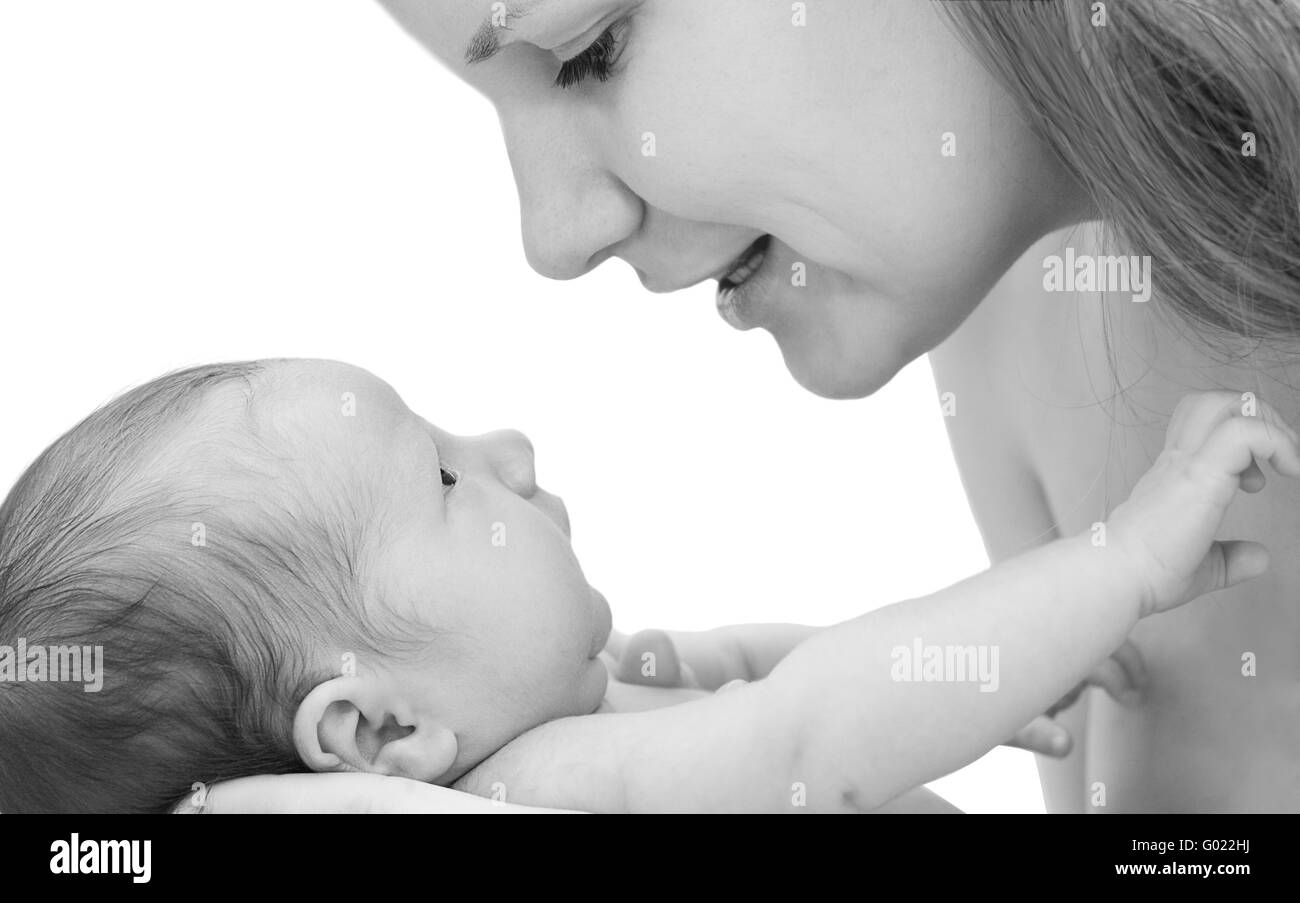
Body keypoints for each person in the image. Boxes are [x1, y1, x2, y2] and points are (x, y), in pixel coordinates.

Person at [220, 0, 1300, 812]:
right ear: (364, 731)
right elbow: (796, 711)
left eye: (592, 47)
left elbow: (781, 682)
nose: (553, 236)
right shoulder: (1025, 306)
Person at [0, 359, 1290, 812]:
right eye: (446, 483)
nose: (505, 449)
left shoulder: (595, 712)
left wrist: (989, 670)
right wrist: (1111, 565)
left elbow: (772, 668)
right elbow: (812, 729)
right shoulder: (555, 789)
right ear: (381, 733)